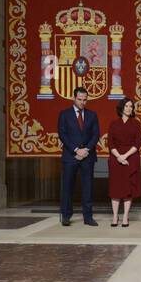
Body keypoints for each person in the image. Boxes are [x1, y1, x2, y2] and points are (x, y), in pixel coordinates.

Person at [57, 85, 100, 226]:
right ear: (73, 98)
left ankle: (88, 217)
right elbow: (62, 134)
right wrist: (76, 150)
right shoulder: (64, 114)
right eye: (80, 99)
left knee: (87, 188)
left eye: (85, 100)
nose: (82, 102)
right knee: (68, 187)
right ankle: (66, 216)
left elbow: (96, 135)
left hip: (88, 156)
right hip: (70, 156)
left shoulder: (93, 115)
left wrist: (86, 150)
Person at [107, 97, 141, 227]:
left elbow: (138, 143)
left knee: (128, 189)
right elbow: (110, 143)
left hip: (131, 158)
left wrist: (125, 156)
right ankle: (115, 216)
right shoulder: (113, 124)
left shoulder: (136, 123)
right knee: (115, 188)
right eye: (126, 106)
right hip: (116, 158)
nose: (129, 108)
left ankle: (126, 216)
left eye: (131, 106)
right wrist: (119, 157)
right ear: (121, 107)